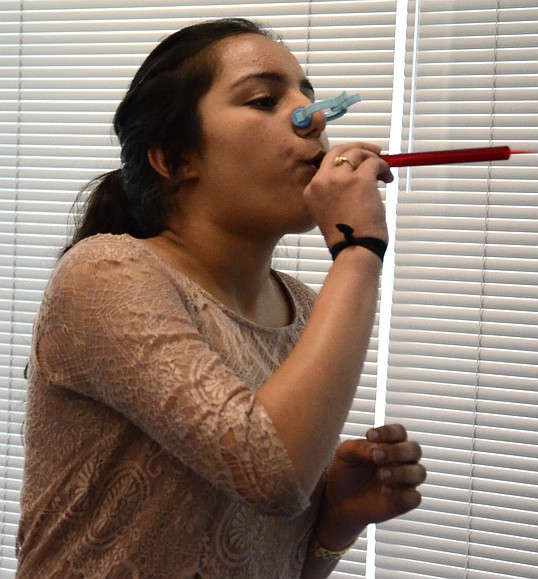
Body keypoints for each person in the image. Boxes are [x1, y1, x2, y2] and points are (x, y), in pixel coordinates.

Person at [16, 18, 426, 578]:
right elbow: (272, 474)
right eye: (263, 99)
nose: (314, 117)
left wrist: (336, 523)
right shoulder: (105, 274)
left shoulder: (305, 311)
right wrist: (358, 250)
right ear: (176, 159)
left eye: (309, 95)